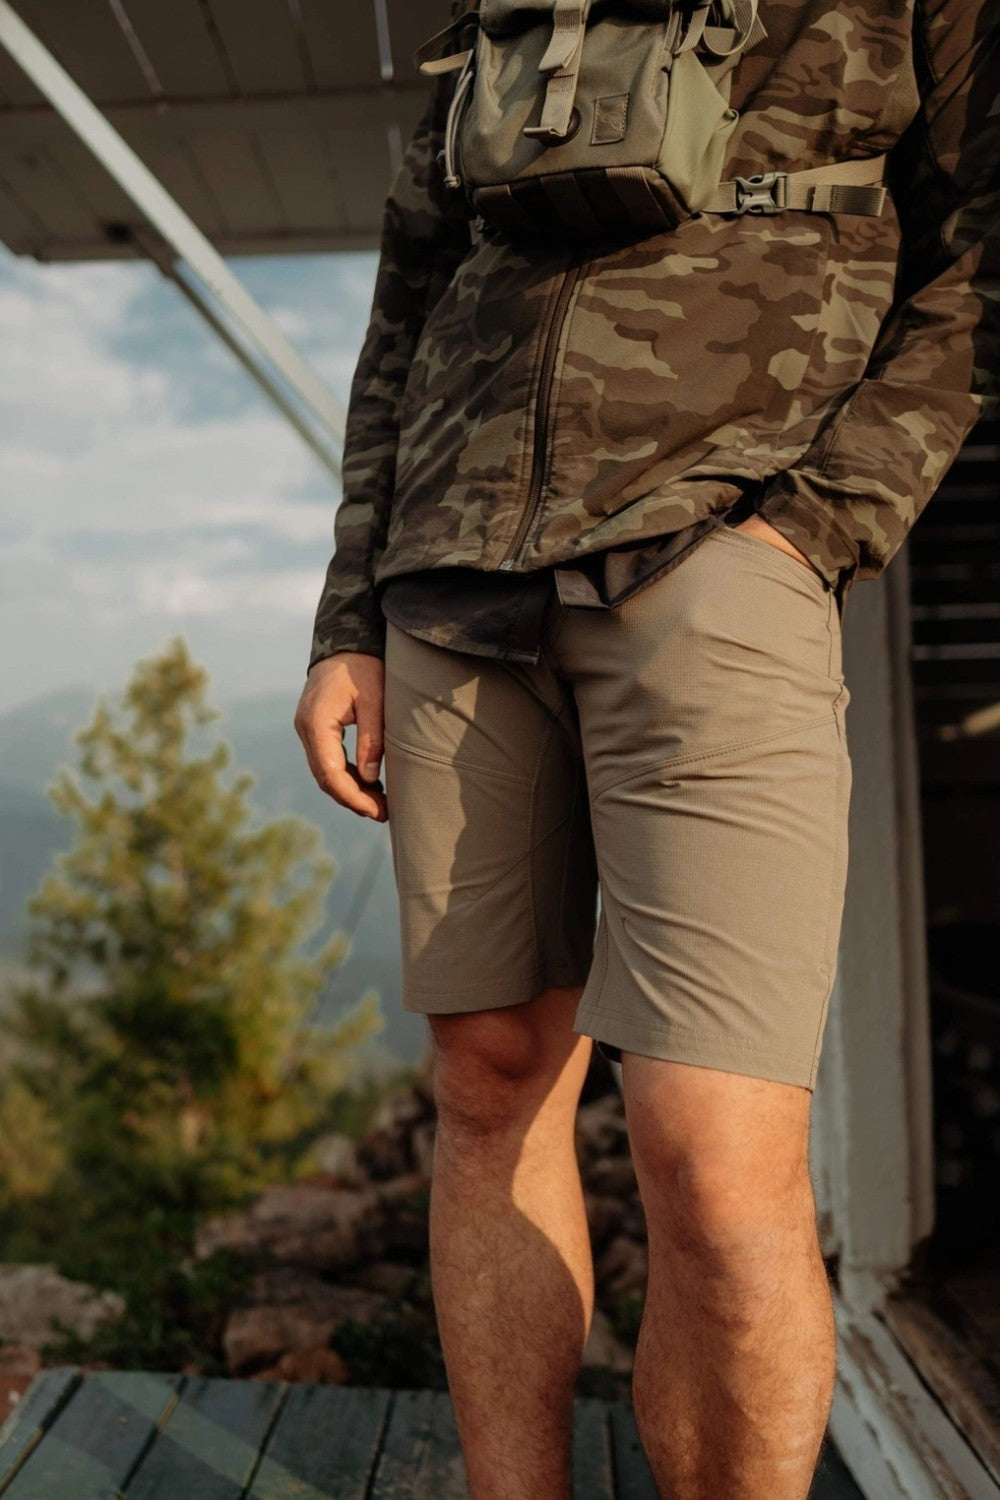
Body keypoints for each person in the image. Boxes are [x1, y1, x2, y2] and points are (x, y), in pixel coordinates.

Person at [294, 2, 998, 1494]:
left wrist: (814, 525)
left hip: (725, 545)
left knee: (712, 1152)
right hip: (452, 568)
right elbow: (410, 298)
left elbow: (982, 250)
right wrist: (348, 615)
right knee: (489, 1082)